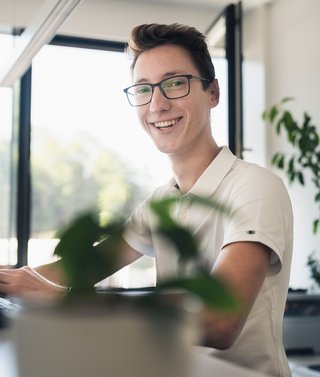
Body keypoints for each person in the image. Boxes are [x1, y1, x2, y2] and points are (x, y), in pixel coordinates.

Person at [0, 23, 293, 376]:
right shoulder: (161, 204)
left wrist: (56, 298)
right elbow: (82, 267)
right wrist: (13, 280)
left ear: (212, 93)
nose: (158, 103)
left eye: (175, 83)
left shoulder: (255, 187)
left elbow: (220, 320)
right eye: (143, 89)